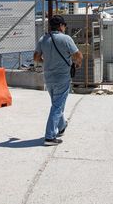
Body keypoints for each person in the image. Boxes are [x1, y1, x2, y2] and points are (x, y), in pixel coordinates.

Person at [34, 15, 82, 146]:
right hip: (62, 77)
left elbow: (36, 57)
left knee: (56, 103)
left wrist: (47, 62)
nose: (64, 27)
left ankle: (61, 127)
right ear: (61, 26)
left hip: (48, 77)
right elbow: (78, 55)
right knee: (57, 105)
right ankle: (49, 136)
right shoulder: (66, 39)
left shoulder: (43, 39)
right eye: (64, 25)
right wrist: (77, 64)